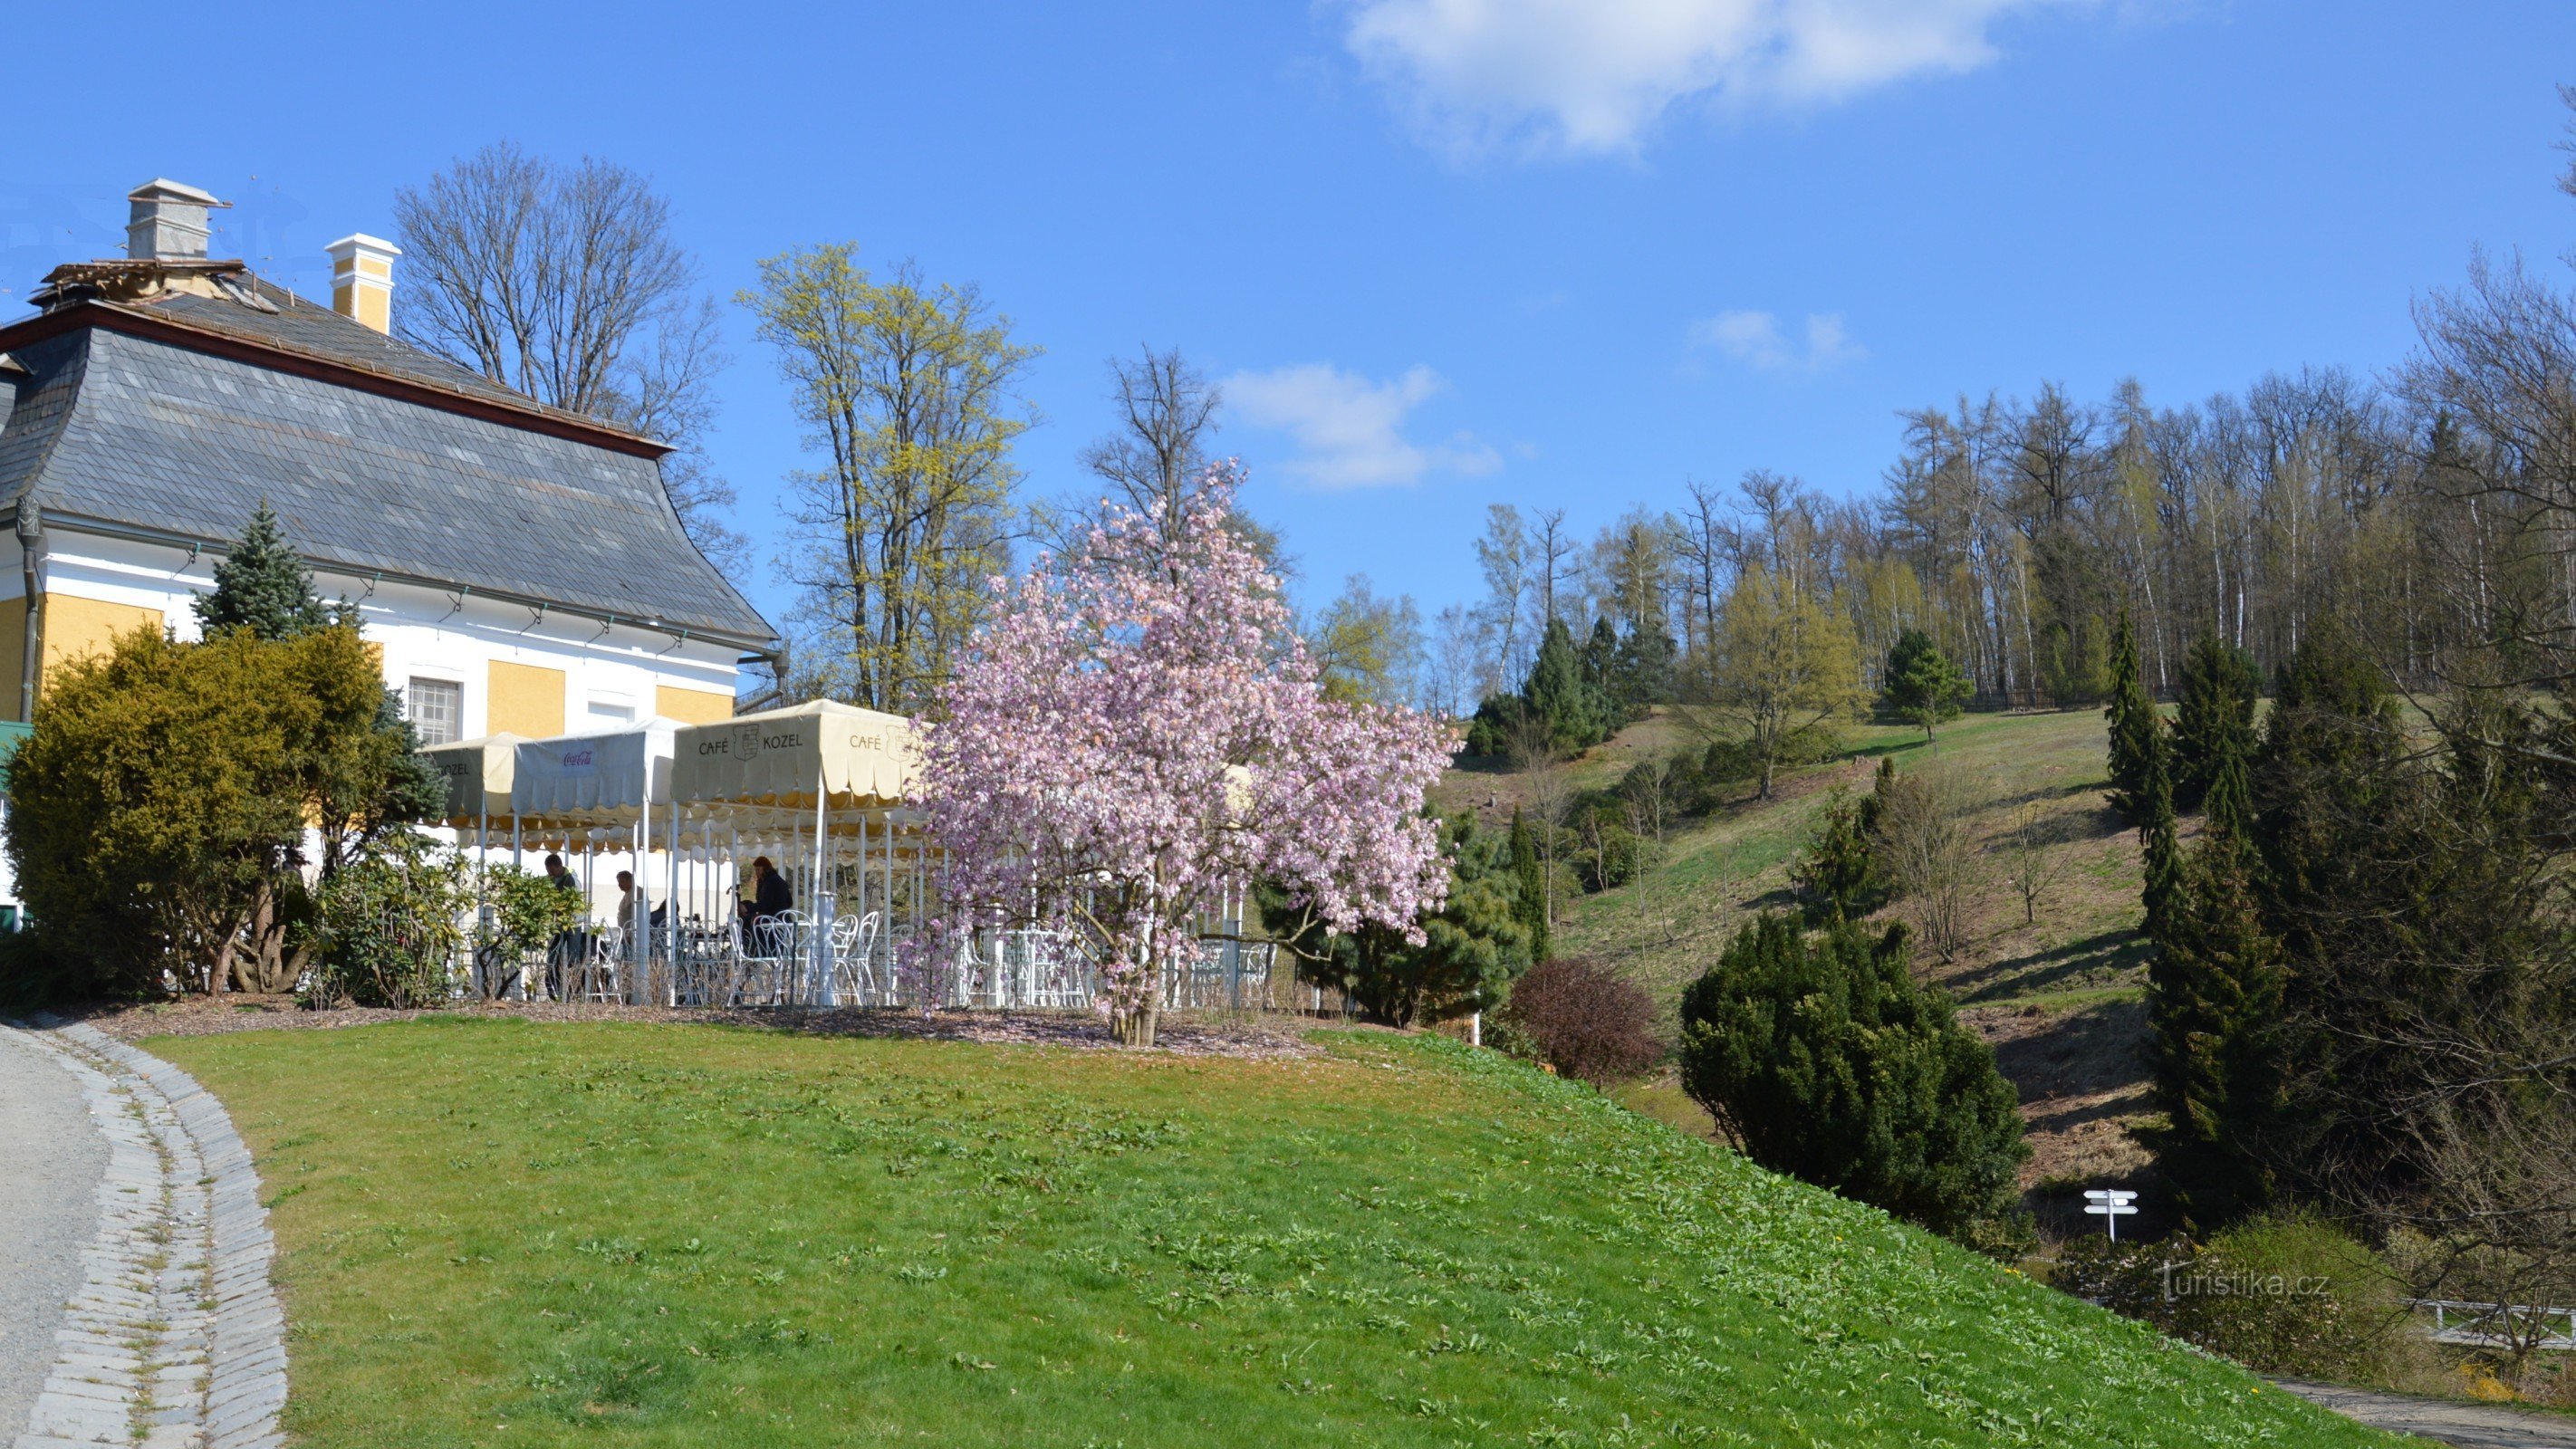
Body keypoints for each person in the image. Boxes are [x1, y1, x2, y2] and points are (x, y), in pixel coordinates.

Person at [741, 855, 793, 926]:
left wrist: (747, 908)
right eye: (755, 870)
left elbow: (765, 904)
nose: (756, 872)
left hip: (772, 923)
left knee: (745, 923)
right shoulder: (777, 880)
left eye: (758, 869)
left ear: (765, 869)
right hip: (785, 921)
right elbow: (790, 902)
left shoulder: (770, 881)